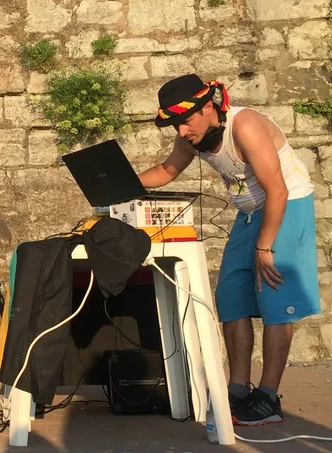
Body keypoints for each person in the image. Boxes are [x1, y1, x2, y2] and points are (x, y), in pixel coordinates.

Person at [136, 74, 319, 426]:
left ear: (208, 108)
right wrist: (123, 183)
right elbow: (167, 170)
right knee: (231, 298)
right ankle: (237, 391)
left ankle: (268, 398)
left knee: (275, 300)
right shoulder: (193, 137)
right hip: (249, 212)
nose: (181, 132)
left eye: (186, 121)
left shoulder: (244, 126)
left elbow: (278, 190)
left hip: (286, 205)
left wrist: (264, 246)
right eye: (175, 125)